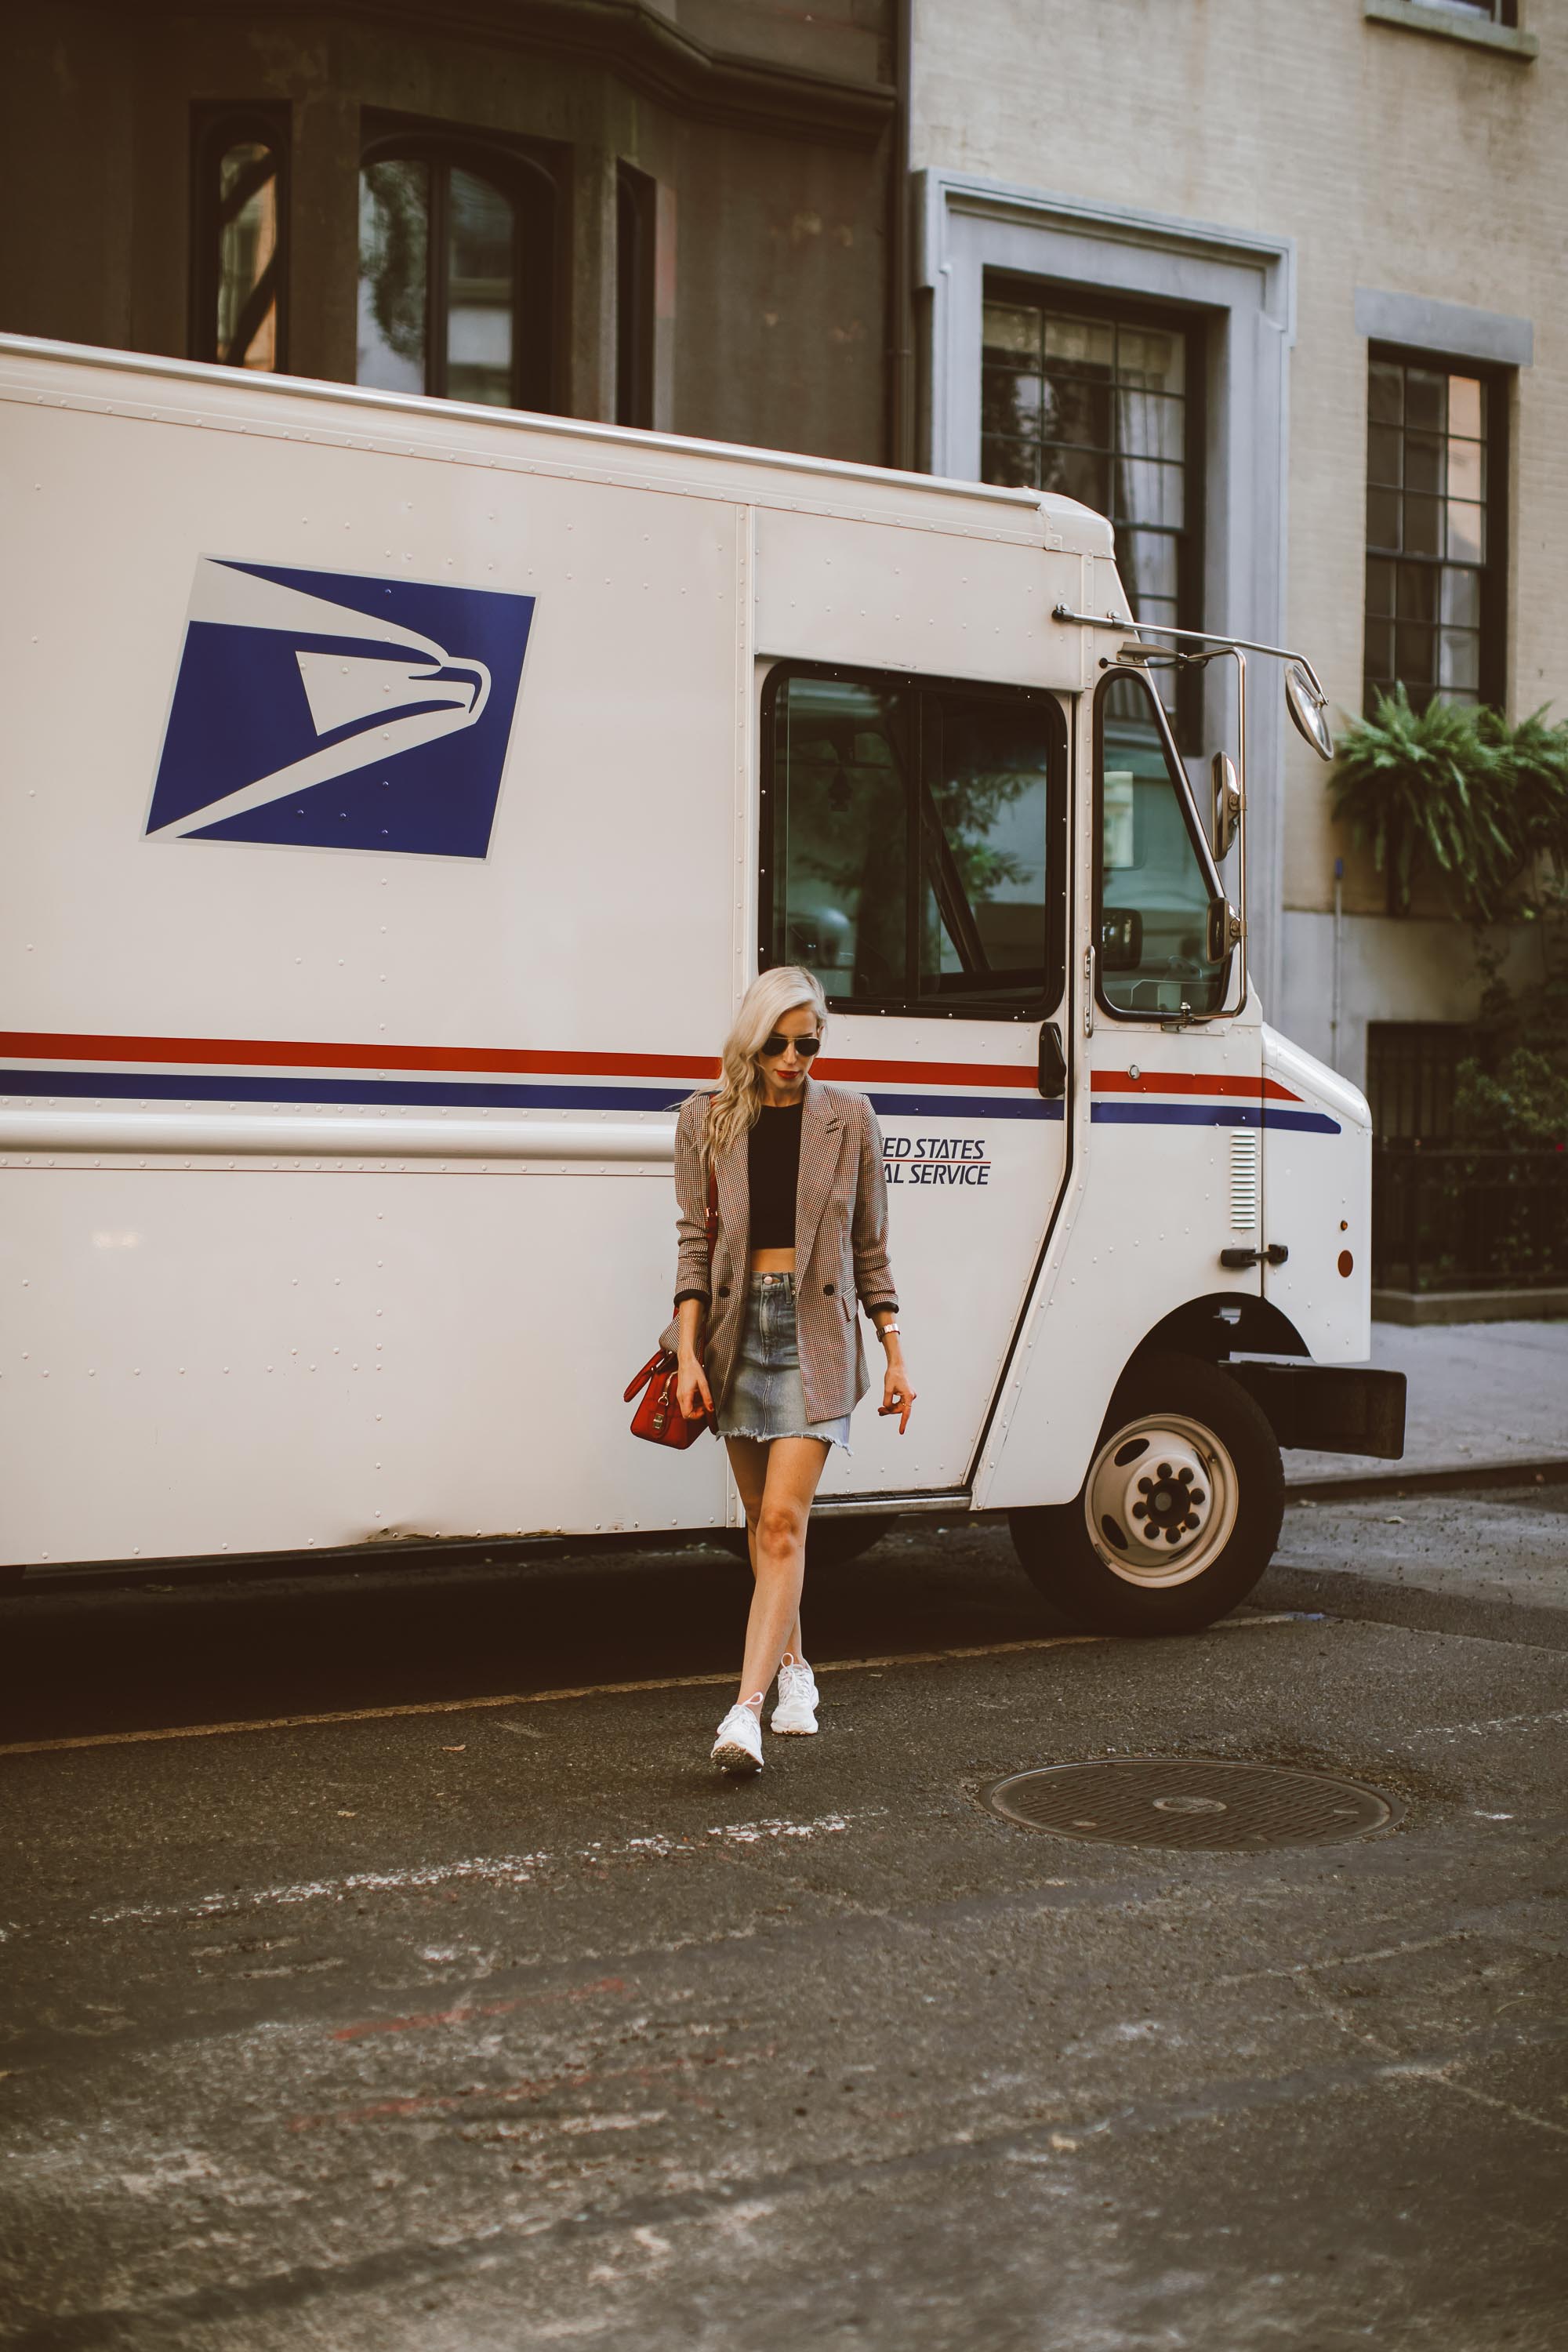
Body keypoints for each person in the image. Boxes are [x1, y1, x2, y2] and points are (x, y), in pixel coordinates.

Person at [665, 967, 915, 1773]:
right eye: (775, 1042)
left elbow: (869, 1247)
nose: (791, 1057)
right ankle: (796, 1667)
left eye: (806, 1043)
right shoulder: (707, 1121)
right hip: (737, 1335)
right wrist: (687, 1355)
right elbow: (694, 1248)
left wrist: (895, 1351)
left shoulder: (849, 1119)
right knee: (760, 1521)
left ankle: (742, 1714)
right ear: (750, 1040)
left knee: (781, 1523)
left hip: (816, 1336)